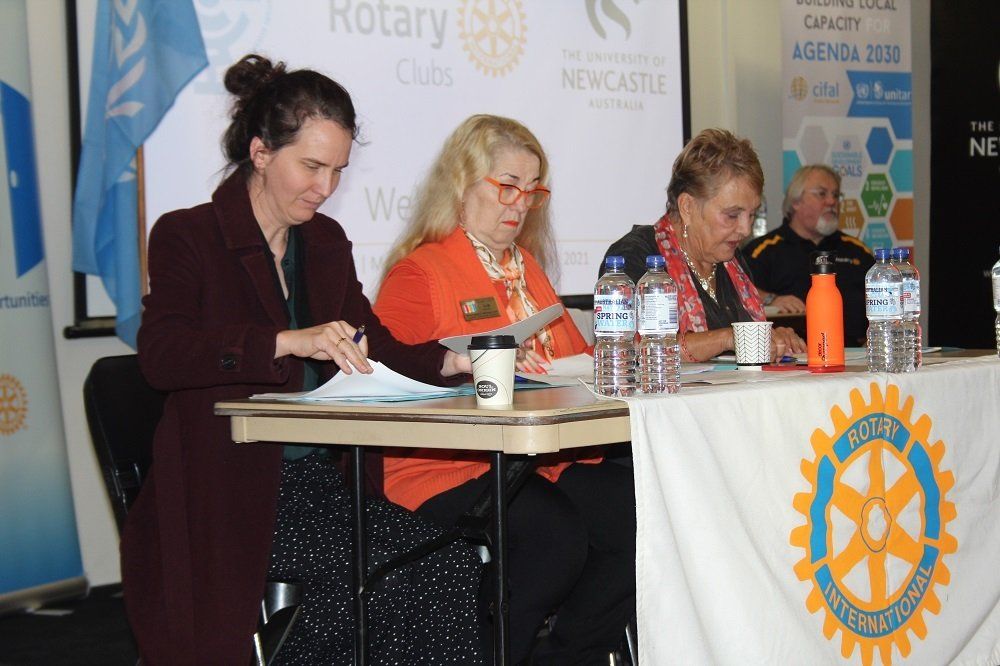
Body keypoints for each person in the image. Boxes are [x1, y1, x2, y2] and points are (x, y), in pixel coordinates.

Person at [121, 54, 484, 665]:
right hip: (230, 489)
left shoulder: (324, 243)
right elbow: (162, 356)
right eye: (311, 166)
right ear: (261, 153)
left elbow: (374, 343)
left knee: (444, 564)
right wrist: (284, 341)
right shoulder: (188, 235)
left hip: (320, 482)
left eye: (337, 170)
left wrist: (451, 361)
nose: (325, 188)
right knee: (382, 582)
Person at [373, 114, 635, 665]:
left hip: (534, 459)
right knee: (554, 538)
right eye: (507, 187)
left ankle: (570, 658)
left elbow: (570, 364)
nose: (519, 205)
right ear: (462, 185)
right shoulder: (419, 275)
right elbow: (387, 380)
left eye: (531, 191)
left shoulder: (527, 270)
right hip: (442, 464)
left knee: (634, 513)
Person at [602, 128, 806, 362]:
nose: (745, 229)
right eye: (732, 215)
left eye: (752, 215)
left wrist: (774, 339)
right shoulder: (634, 256)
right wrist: (729, 338)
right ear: (688, 207)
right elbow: (629, 350)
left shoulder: (732, 263)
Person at [743, 164, 875, 345]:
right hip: (791, 361)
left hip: (855, 358)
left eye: (835, 195)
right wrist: (771, 299)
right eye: (822, 194)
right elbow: (737, 292)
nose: (831, 202)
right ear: (796, 202)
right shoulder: (763, 251)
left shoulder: (858, 252)